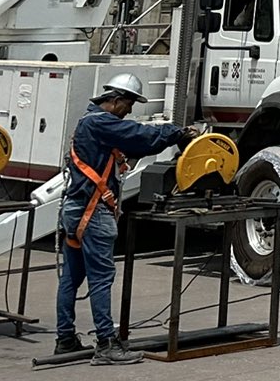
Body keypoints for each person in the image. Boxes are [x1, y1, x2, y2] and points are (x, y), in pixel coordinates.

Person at [57, 73, 198, 364]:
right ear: (116, 100)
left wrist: (168, 136)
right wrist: (177, 133)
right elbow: (139, 136)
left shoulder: (91, 123)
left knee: (72, 277)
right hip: (92, 213)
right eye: (129, 103)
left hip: (77, 210)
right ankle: (106, 344)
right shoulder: (100, 123)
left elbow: (136, 144)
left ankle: (66, 339)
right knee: (100, 278)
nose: (130, 110)